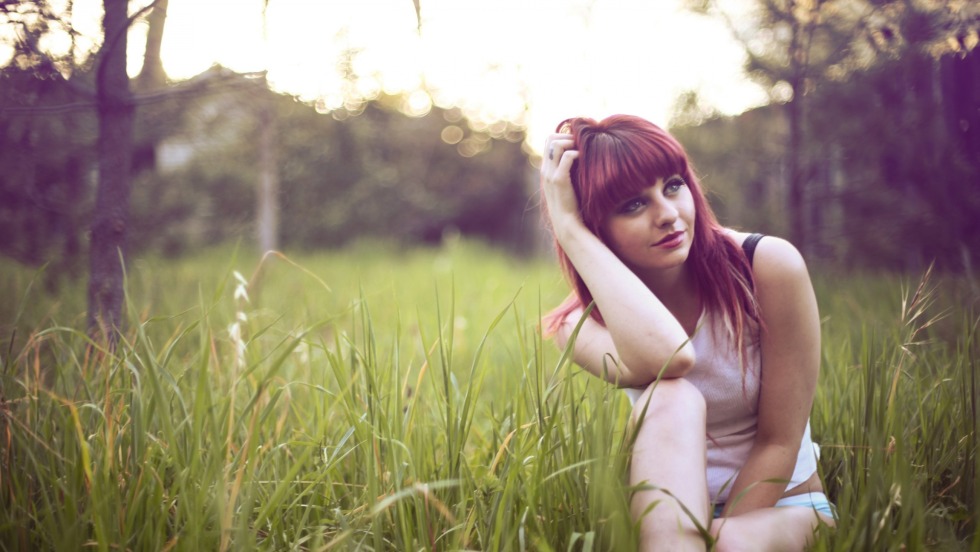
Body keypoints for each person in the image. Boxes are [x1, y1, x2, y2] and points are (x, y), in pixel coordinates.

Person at [539, 115, 835, 551]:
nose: (668, 215)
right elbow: (671, 357)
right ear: (594, 227)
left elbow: (779, 441)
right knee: (670, 394)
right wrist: (567, 228)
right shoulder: (578, 324)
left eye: (673, 185)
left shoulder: (765, 266)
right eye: (633, 205)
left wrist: (708, 542)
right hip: (671, 518)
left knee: (724, 544)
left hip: (783, 509)